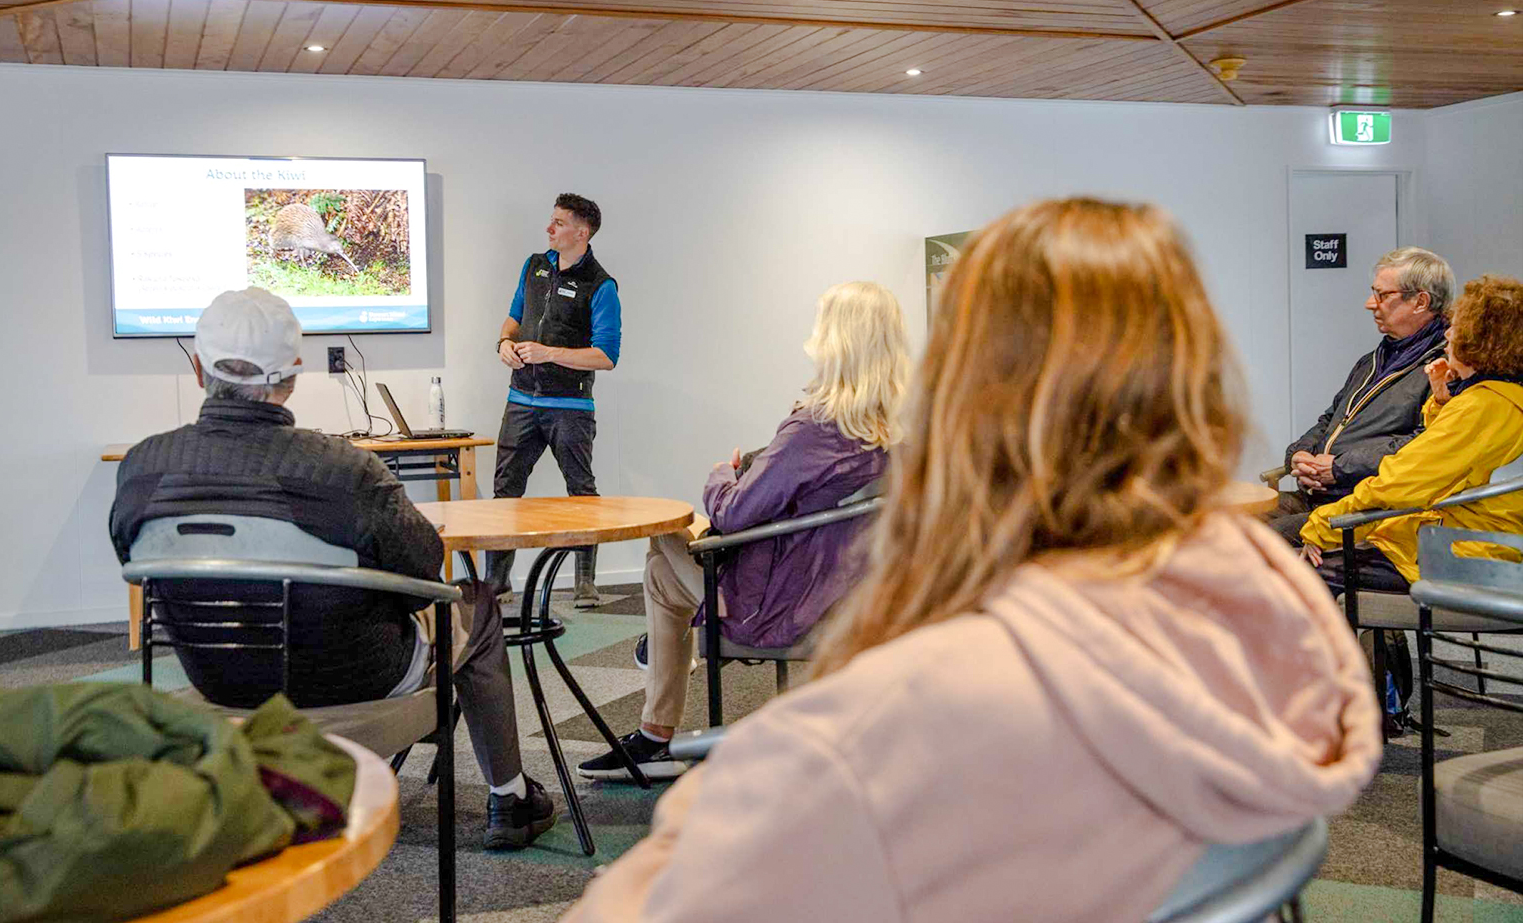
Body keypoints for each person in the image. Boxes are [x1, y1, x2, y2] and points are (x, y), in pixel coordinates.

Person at [561, 199, 1381, 923]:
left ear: (975, 382)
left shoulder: (899, 723)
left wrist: (725, 798)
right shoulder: (1273, 626)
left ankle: (658, 681)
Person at [109, 287, 555, 851]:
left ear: (198, 370)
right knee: (480, 605)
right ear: (294, 375)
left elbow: (135, 559)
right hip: (355, 681)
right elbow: (424, 566)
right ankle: (510, 798)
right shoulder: (343, 469)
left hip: (216, 676)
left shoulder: (143, 468)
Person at [576, 281, 908, 782]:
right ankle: (653, 728)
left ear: (835, 343)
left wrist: (721, 471)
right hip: (846, 598)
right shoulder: (892, 433)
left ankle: (655, 731)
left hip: (780, 609)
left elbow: (732, 511)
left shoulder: (814, 428)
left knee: (669, 533)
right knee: (664, 580)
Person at [1300, 274, 1523, 595]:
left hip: (1466, 554)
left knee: (1302, 575)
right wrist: (1443, 402)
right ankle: (1378, 647)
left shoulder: (1483, 406)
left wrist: (1322, 523)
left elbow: (1402, 482)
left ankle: (1365, 645)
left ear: (1482, 338)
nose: (1447, 332)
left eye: (1457, 326)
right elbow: (1450, 470)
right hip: (1483, 545)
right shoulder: (1502, 399)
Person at [1269, 247, 1454, 544]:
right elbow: (1330, 419)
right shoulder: (1373, 360)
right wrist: (1300, 455)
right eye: (1373, 293)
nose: (1370, 304)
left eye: (1383, 295)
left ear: (1421, 301)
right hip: (1321, 495)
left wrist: (1338, 469)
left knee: (1262, 541)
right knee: (1222, 523)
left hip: (1372, 511)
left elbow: (1422, 447)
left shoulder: (1444, 370)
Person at [489, 193, 621, 608]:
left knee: (581, 492)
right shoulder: (534, 267)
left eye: (559, 223)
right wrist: (504, 343)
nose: (550, 228)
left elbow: (606, 356)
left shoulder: (601, 285)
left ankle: (585, 582)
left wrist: (549, 353)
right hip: (521, 401)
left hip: (571, 407)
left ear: (581, 233)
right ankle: (498, 582)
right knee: (505, 490)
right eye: (551, 220)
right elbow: (513, 317)